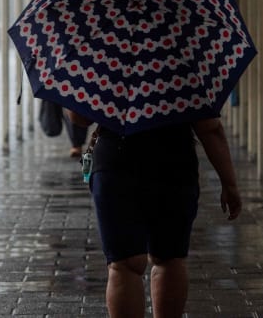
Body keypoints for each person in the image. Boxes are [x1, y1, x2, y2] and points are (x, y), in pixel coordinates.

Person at [66, 110, 242, 318]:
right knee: (169, 258)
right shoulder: (183, 75)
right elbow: (209, 127)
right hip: (174, 161)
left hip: (116, 160)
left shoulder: (102, 74)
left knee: (124, 265)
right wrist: (229, 182)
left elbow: (80, 117)